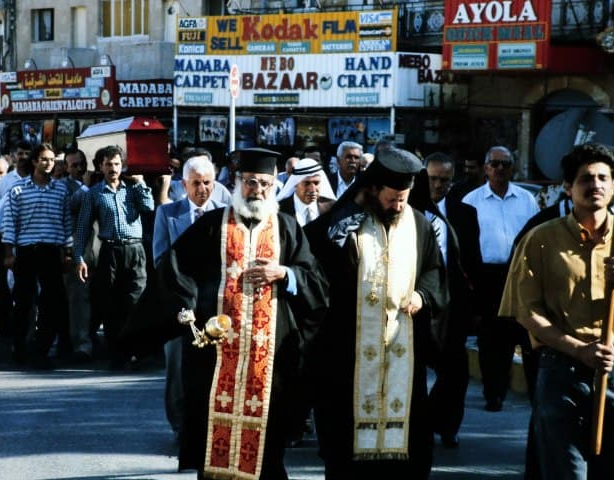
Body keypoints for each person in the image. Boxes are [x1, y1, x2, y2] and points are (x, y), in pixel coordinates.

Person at [156, 147, 329, 479]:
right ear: (237, 183)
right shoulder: (211, 226)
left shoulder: (287, 229)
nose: (258, 191)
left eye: (265, 184)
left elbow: (316, 282)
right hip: (218, 353)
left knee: (269, 440)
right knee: (213, 439)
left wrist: (285, 274)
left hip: (270, 356)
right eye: (251, 183)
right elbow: (176, 270)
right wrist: (192, 313)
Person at [306, 148, 448, 479]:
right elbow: (319, 260)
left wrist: (422, 295)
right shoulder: (349, 220)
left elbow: (435, 272)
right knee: (347, 444)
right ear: (372, 190)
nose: (398, 206)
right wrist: (351, 210)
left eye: (403, 198)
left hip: (402, 348)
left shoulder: (419, 225)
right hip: (350, 353)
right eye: (391, 199)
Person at [501, 143, 614, 478]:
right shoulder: (540, 239)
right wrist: (579, 350)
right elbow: (526, 311)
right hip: (562, 371)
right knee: (566, 472)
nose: (597, 185)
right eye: (586, 178)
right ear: (567, 186)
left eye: (604, 178)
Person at [152, 154, 226, 441]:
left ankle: (210, 423)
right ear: (184, 184)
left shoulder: (225, 212)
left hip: (215, 304)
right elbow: (160, 258)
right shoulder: (167, 214)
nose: (202, 189)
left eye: (207, 182)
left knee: (214, 365)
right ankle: (179, 425)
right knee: (177, 365)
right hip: (180, 304)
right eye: (196, 183)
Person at [462, 146, 539, 412]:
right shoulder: (471, 201)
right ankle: (493, 394)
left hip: (520, 275)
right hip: (487, 277)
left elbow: (535, 237)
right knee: (491, 340)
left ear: (512, 168)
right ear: (485, 168)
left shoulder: (527, 200)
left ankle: (535, 394)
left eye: (505, 164)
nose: (499, 169)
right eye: (494, 164)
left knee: (526, 335)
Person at [74, 145, 154, 369]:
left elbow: (148, 207)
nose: (113, 168)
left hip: (135, 250)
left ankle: (138, 352)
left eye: (117, 164)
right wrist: (79, 257)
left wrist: (140, 182)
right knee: (110, 304)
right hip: (110, 251)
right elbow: (83, 228)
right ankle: (117, 354)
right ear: (100, 166)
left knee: (135, 301)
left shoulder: (132, 189)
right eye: (108, 164)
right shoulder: (94, 194)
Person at [423, 152, 483, 448]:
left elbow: (473, 262)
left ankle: (447, 425)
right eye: (432, 179)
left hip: (453, 303)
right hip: (417, 302)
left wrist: (476, 307)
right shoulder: (407, 210)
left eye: (444, 180)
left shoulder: (464, 214)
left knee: (455, 372)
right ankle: (416, 425)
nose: (438, 186)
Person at [1, 142, 72, 369]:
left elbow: (66, 222)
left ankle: (42, 349)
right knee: (24, 302)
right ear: (34, 162)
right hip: (27, 251)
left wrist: (68, 251)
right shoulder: (18, 190)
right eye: (44, 159)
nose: (49, 164)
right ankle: (19, 347)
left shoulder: (61, 189)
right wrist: (9, 253)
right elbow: (9, 222)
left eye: (52, 160)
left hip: (51, 250)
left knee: (53, 302)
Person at [61, 148, 94, 361]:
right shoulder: (63, 186)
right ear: (66, 167)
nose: (80, 168)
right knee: (77, 298)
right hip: (75, 248)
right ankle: (80, 343)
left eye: (82, 164)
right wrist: (87, 187)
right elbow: (69, 206)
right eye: (74, 165)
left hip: (96, 248)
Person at [276, 157, 336, 226]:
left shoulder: (331, 208)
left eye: (316, 183)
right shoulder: (280, 210)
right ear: (295, 184)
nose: (312, 189)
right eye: (307, 183)